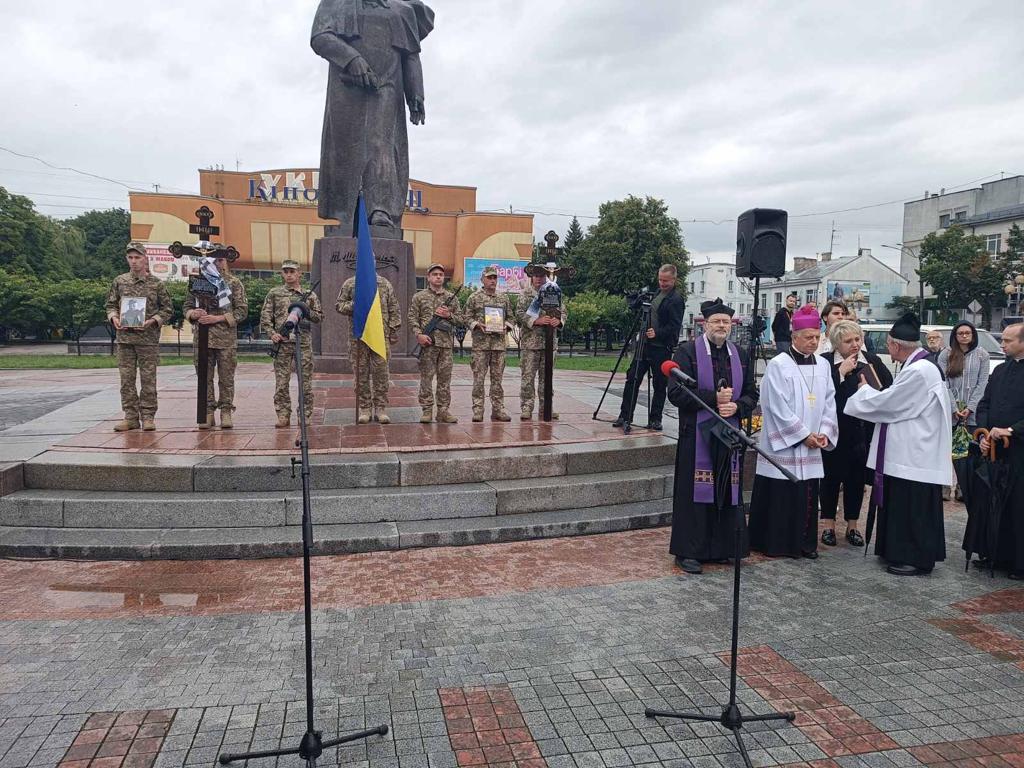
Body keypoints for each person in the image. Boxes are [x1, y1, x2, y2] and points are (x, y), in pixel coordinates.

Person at [310, 0, 434, 238]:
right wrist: (351, 59)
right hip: (347, 87)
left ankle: (380, 209)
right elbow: (320, 37)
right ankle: (349, 211)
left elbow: (410, 55)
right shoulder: (336, 3)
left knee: (381, 144)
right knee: (346, 149)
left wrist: (416, 94)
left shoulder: (402, 10)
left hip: (387, 85)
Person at [844, 313, 951, 576]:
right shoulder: (919, 365)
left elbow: (891, 404)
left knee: (911, 507)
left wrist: (864, 391)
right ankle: (896, 550)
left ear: (895, 345)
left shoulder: (919, 370)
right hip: (909, 450)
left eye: (888, 345)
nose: (888, 350)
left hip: (914, 453)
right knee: (902, 504)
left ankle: (913, 557)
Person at [667, 298, 758, 574]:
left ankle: (722, 548)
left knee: (726, 491)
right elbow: (676, 392)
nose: (721, 326)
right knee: (695, 494)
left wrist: (737, 406)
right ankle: (689, 551)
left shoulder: (740, 354)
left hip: (729, 434)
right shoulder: (686, 352)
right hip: (697, 436)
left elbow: (752, 393)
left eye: (726, 322)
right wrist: (714, 400)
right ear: (705, 324)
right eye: (716, 321)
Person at [748, 304, 838, 559]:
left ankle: (804, 543)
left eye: (817, 337)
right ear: (794, 337)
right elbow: (774, 405)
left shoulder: (823, 365)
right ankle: (776, 544)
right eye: (808, 337)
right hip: (785, 446)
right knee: (781, 494)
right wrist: (802, 435)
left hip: (813, 444)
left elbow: (830, 402)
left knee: (807, 494)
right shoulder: (779, 364)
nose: (813, 342)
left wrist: (824, 433)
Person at [819, 320, 893, 547]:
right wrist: (840, 374)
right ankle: (829, 525)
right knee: (830, 478)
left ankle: (852, 526)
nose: (854, 345)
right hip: (833, 429)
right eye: (848, 341)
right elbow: (819, 394)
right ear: (836, 344)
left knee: (856, 480)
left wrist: (871, 390)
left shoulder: (871, 361)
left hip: (861, 431)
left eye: (857, 339)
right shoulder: (825, 362)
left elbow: (888, 389)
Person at [104, 242, 173, 432]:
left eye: (137, 257)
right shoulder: (120, 281)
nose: (134, 261)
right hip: (125, 339)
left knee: (148, 379)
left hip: (147, 340)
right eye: (130, 257)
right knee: (126, 380)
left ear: (145, 259)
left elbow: (167, 309)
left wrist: (153, 321)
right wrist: (114, 317)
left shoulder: (156, 284)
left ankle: (148, 416)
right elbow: (110, 305)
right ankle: (130, 417)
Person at [974, 323, 1024, 576]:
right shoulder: (1001, 370)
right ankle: (994, 554)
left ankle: (1019, 562)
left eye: (1007, 341)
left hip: (1019, 452)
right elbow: (984, 404)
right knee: (994, 503)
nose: (1002, 345)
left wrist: (1012, 430)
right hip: (996, 450)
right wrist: (984, 433)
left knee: (1018, 506)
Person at [613, 264, 684, 431]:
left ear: (674, 280)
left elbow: (675, 326)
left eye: (666, 281)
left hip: (661, 348)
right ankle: (625, 416)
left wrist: (657, 333)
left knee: (659, 384)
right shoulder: (656, 293)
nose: (662, 283)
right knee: (632, 378)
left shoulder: (676, 299)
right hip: (644, 345)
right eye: (660, 280)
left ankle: (655, 419)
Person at [185, 254, 247, 429]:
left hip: (225, 339)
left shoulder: (233, 283)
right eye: (213, 260)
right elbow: (186, 307)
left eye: (220, 260)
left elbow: (242, 311)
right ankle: (208, 412)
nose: (217, 264)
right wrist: (193, 314)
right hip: (202, 339)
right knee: (204, 377)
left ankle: (226, 411)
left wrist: (218, 318)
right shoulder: (197, 282)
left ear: (225, 262)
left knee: (226, 378)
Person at [260, 260, 324, 428]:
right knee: (282, 383)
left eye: (292, 271)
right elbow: (265, 316)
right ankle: (283, 414)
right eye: (286, 272)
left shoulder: (309, 295)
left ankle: (305, 415)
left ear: (299, 274)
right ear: (282, 274)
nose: (289, 275)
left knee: (305, 383)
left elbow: (319, 317)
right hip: (282, 343)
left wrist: (306, 311)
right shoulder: (275, 293)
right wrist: (272, 333)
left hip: (303, 344)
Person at [336, 271, 402, 424]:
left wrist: (393, 331)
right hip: (358, 338)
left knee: (381, 373)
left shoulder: (384, 283)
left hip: (380, 336)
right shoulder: (351, 283)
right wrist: (355, 304)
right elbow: (339, 305)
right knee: (361, 373)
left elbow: (394, 308)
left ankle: (380, 408)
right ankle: (365, 408)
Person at [937, 321, 990, 500]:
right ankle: (944, 485)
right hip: (950, 410)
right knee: (947, 449)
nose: (964, 336)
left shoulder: (982, 355)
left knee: (966, 451)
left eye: (968, 333)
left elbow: (982, 383)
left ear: (973, 335)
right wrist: (953, 407)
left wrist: (971, 407)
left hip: (972, 412)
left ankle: (962, 486)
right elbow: (943, 383)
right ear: (955, 335)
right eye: (961, 333)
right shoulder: (946, 354)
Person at [409, 263, 462, 423]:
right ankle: (427, 410)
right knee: (426, 378)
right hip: (428, 345)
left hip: (445, 346)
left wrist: (448, 315)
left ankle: (443, 411)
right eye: (435, 274)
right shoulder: (419, 297)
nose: (438, 277)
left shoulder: (451, 298)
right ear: (429, 277)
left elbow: (461, 320)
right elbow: (412, 318)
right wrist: (419, 335)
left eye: (440, 274)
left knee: (445, 380)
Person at [465, 265, 514, 422]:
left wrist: (506, 326)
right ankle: (478, 410)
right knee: (479, 379)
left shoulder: (503, 298)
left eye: (494, 278)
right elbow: (466, 317)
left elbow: (511, 317)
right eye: (489, 278)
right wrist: (476, 324)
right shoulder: (474, 297)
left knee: (497, 380)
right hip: (480, 346)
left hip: (498, 346)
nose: (492, 280)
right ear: (482, 280)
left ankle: (498, 410)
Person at [518, 268, 566, 420]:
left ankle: (546, 407)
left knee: (547, 378)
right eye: (536, 276)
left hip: (549, 344)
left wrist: (559, 321)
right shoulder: (525, 295)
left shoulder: (554, 292)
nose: (538, 279)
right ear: (531, 277)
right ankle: (527, 407)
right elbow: (519, 314)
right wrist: (536, 320)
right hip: (530, 344)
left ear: (546, 277)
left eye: (541, 276)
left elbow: (563, 311)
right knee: (528, 378)